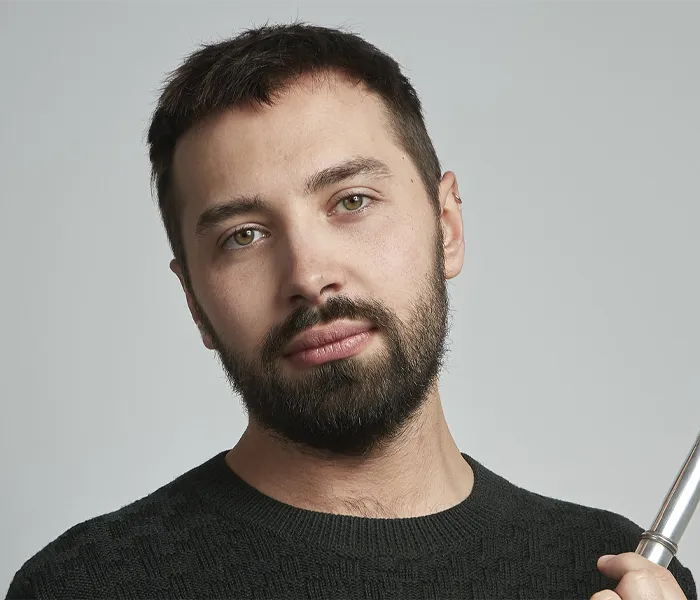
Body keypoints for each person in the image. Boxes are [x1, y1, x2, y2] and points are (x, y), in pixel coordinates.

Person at [5, 22, 696, 600]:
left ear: (446, 225)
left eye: (352, 201)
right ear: (193, 298)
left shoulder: (623, 575)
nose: (309, 275)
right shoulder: (84, 588)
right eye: (243, 235)